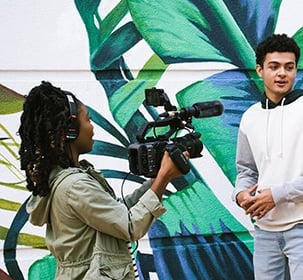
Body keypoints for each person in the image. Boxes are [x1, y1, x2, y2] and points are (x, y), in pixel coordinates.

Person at [19, 81, 186, 279]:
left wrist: (158, 180)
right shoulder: (75, 186)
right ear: (70, 130)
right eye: (88, 120)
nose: (92, 128)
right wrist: (164, 178)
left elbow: (117, 212)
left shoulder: (68, 179)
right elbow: (130, 225)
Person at [232, 34, 303, 279]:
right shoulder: (250, 117)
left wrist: (277, 195)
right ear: (260, 70)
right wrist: (240, 195)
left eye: (289, 67)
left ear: (295, 70)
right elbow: (246, 170)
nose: (282, 73)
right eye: (274, 66)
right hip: (264, 231)